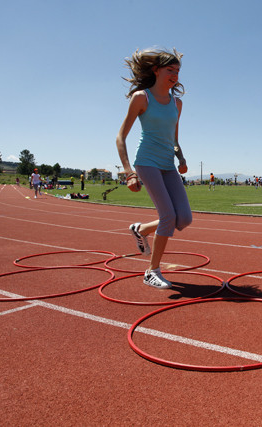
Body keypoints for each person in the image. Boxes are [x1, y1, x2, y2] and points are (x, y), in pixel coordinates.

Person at [116, 47, 192, 289]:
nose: (175, 75)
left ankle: (140, 229)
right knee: (168, 216)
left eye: (178, 71)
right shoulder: (142, 97)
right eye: (170, 70)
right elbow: (120, 137)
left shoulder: (176, 103)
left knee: (184, 218)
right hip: (146, 162)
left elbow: (175, 139)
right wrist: (129, 172)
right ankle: (152, 271)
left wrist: (181, 158)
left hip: (167, 165)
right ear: (156, 70)